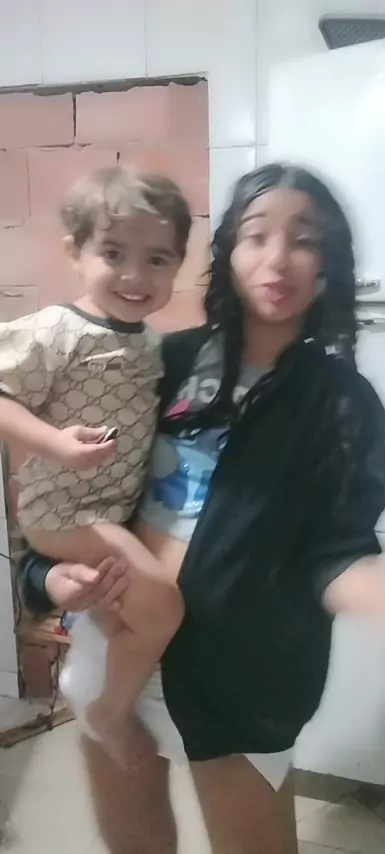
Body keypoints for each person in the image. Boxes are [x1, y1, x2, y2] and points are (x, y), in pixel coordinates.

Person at [19, 164, 385, 854]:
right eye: (257, 235)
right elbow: (70, 492)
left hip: (239, 676)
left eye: (305, 239)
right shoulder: (159, 362)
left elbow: (334, 552)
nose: (278, 258)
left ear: (328, 263)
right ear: (228, 253)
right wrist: (46, 579)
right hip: (115, 648)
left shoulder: (341, 404)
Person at [0, 166, 190, 767]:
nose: (135, 275)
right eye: (113, 253)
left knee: (122, 606)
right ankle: (110, 709)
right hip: (64, 512)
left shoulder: (151, 343)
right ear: (75, 254)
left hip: (109, 512)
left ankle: (100, 687)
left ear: (178, 266)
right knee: (164, 608)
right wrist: (55, 444)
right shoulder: (57, 330)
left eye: (157, 259)